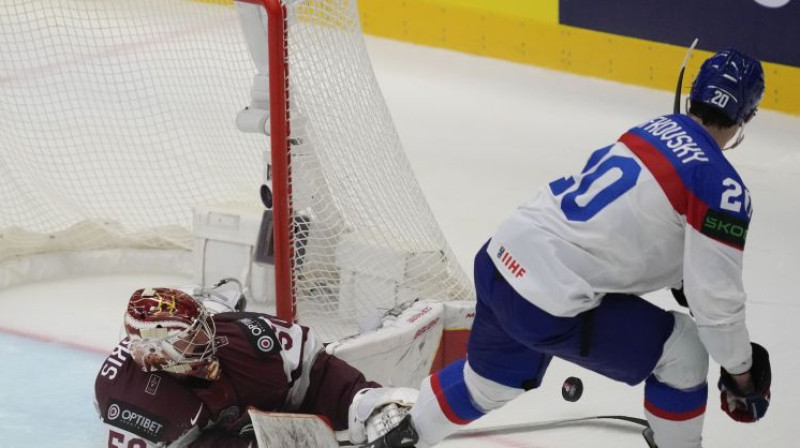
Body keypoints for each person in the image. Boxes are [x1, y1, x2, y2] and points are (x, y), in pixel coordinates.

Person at [370, 48, 772, 448]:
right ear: (747, 119)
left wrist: (677, 269)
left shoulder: (650, 129)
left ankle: (404, 438)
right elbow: (716, 309)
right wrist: (742, 372)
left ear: (692, 96)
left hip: (500, 261)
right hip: (546, 300)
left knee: (490, 384)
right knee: (685, 353)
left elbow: (620, 229)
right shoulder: (723, 188)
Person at [94, 281, 416, 447]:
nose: (207, 339)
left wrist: (359, 401)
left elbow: (313, 368)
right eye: (189, 340)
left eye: (202, 329)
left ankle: (215, 299)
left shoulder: (245, 336)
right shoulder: (128, 401)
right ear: (154, 352)